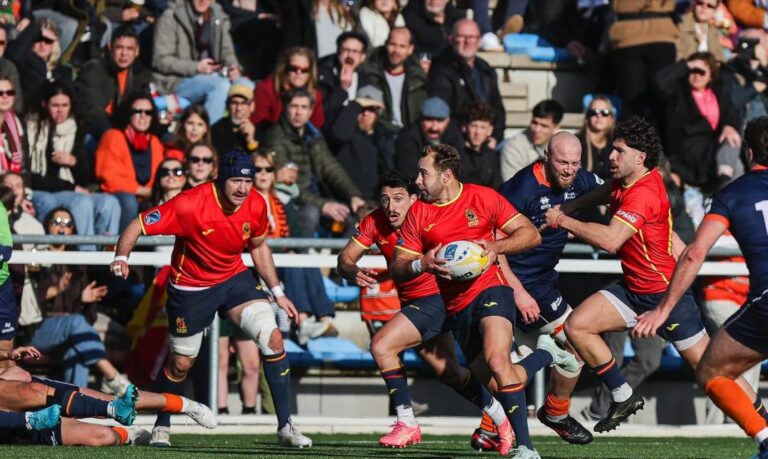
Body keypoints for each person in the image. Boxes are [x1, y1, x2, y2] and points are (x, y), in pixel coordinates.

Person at [338, 168, 575, 453]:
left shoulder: (433, 215)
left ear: (414, 199)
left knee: (382, 345)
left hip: (437, 299)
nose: (391, 206)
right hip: (419, 305)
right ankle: (537, 367)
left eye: (399, 198)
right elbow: (345, 258)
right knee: (463, 375)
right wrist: (352, 271)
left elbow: (493, 251)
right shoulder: (374, 221)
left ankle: (406, 422)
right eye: (385, 199)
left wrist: (517, 290)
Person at [542, 116, 755, 433]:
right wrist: (573, 207)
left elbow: (611, 240)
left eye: (619, 151)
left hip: (664, 295)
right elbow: (606, 192)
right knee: (577, 326)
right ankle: (620, 395)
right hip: (632, 290)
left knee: (714, 372)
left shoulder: (643, 193)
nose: (611, 157)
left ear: (640, 157)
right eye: (612, 149)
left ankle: (761, 424)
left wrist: (562, 220)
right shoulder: (630, 179)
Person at [111, 150, 312, 448]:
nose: (242, 188)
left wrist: (278, 292)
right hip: (191, 288)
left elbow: (258, 247)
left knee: (272, 339)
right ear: (220, 180)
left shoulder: (255, 202)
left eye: (247, 180)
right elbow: (138, 224)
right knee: (180, 364)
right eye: (235, 181)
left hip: (233, 279)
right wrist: (121, 257)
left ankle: (286, 427)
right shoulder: (190, 203)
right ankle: (162, 426)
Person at [633, 116, 768, 458]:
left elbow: (694, 254)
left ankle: (766, 440)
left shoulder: (732, 194)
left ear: (749, 153)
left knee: (711, 370)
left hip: (765, 305)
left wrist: (663, 309)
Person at [467, 132, 602, 451]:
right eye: (562, 163)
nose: (570, 170)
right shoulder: (521, 189)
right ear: (545, 156)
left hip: (542, 283)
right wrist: (518, 292)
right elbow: (493, 245)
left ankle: (493, 426)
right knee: (576, 340)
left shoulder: (579, 178)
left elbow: (614, 191)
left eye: (575, 163)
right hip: (513, 283)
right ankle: (551, 414)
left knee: (530, 356)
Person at [26, 207, 128, 393]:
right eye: (56, 222)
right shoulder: (35, 258)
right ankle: (112, 377)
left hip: (70, 330)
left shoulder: (77, 263)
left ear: (73, 230)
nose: (61, 227)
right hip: (39, 329)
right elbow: (29, 299)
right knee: (75, 323)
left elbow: (87, 320)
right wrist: (57, 290)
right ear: (47, 226)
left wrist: (83, 301)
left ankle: (76, 405)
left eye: (67, 223)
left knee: (78, 350)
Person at [26, 80, 121, 251]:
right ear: (44, 104)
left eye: (65, 105)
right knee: (82, 201)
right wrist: (70, 187)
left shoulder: (75, 128)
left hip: (71, 191)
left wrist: (73, 162)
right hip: (43, 191)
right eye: (55, 105)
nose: (60, 110)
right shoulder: (32, 129)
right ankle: (87, 258)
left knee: (110, 203)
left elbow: (85, 178)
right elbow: (31, 178)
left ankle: (108, 259)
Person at [266, 87, 365, 238]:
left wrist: (353, 195)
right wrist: (323, 205)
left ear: (311, 110)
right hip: (292, 203)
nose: (298, 112)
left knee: (355, 222)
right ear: (286, 108)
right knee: (310, 214)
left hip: (318, 198)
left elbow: (330, 168)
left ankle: (338, 261)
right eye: (294, 106)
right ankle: (301, 259)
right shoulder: (276, 137)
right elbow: (287, 186)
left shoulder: (313, 135)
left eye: (304, 107)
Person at [656, 51, 743, 191]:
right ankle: (726, 185)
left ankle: (726, 184)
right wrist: (688, 63)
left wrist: (729, 126)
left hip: (715, 151)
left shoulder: (718, 93)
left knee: (733, 146)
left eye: (701, 71)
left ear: (711, 75)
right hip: (689, 152)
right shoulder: (678, 93)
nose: (696, 75)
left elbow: (733, 113)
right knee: (733, 162)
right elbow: (660, 82)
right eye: (692, 71)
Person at [94, 92, 177, 231]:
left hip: (146, 198)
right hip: (119, 196)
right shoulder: (113, 137)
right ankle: (124, 246)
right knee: (129, 202)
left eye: (148, 112)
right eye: (138, 111)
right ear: (128, 114)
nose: (143, 116)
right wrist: (143, 191)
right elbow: (110, 178)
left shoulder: (154, 142)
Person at [151, 0, 242, 123]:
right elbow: (160, 60)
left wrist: (233, 67)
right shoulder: (171, 16)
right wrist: (196, 67)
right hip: (176, 81)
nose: (203, 0)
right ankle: (209, 136)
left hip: (213, 74)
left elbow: (226, 51)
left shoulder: (217, 15)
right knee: (220, 85)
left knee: (246, 85)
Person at [428, 19, 505, 145]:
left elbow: (498, 110)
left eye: (472, 37)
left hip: (488, 138)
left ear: (479, 41)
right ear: (452, 39)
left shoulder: (486, 70)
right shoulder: (441, 69)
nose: (468, 41)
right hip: (461, 141)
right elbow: (444, 114)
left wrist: (495, 137)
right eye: (462, 36)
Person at [74, 25, 153, 141]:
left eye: (129, 49)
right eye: (119, 47)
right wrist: (117, 135)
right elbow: (92, 112)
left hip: (126, 130)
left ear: (137, 52)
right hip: (94, 132)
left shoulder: (140, 76)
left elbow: (145, 108)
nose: (124, 54)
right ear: (110, 48)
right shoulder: (94, 69)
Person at [326, 85, 396, 201]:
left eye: (371, 110)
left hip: (376, 201)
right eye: (362, 109)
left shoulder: (385, 136)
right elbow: (339, 135)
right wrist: (356, 104)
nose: (365, 114)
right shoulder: (347, 133)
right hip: (346, 199)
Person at [364, 27, 428, 132]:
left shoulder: (418, 80)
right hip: (380, 133)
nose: (396, 51)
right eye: (392, 44)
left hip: (410, 135)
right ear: (386, 44)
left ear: (410, 49)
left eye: (402, 46)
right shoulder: (371, 74)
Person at [251, 47, 325, 134]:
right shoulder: (266, 89)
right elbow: (257, 125)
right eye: (294, 68)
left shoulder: (315, 95)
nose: (299, 73)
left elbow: (316, 127)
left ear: (310, 73)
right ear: (285, 68)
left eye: (304, 70)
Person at [394, 97, 464, 175]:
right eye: (429, 120)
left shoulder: (456, 137)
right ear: (421, 120)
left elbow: (460, 171)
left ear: (448, 121)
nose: (434, 127)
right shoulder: (408, 139)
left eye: (440, 120)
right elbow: (409, 174)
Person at [501, 99, 563, 181]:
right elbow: (512, 186)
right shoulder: (514, 147)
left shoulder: (563, 146)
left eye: (544, 126)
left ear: (556, 127)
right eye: (534, 122)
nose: (537, 130)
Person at [317, 31, 370, 127]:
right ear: (338, 52)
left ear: (362, 57)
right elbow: (321, 113)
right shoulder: (323, 74)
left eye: (355, 51)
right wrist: (342, 89)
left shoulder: (366, 78)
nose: (350, 56)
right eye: (346, 50)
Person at [211, 83, 260, 157]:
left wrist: (250, 141)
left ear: (252, 106)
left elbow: (262, 164)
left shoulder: (260, 132)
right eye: (234, 103)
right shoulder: (216, 131)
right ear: (227, 106)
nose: (239, 108)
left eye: (244, 103)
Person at [460, 101, 501, 189]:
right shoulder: (455, 155)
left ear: (490, 130)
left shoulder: (492, 156)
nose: (477, 132)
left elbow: (497, 186)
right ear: (465, 127)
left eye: (483, 127)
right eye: (474, 126)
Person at [577, 96, 616, 180]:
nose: (599, 115)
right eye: (594, 112)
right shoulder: (577, 142)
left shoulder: (616, 144)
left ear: (611, 118)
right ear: (588, 116)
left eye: (605, 112)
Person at [0, 77, 25, 176]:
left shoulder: (17, 123)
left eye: (10, 92)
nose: (5, 96)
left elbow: (25, 164)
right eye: (0, 93)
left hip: (15, 183)